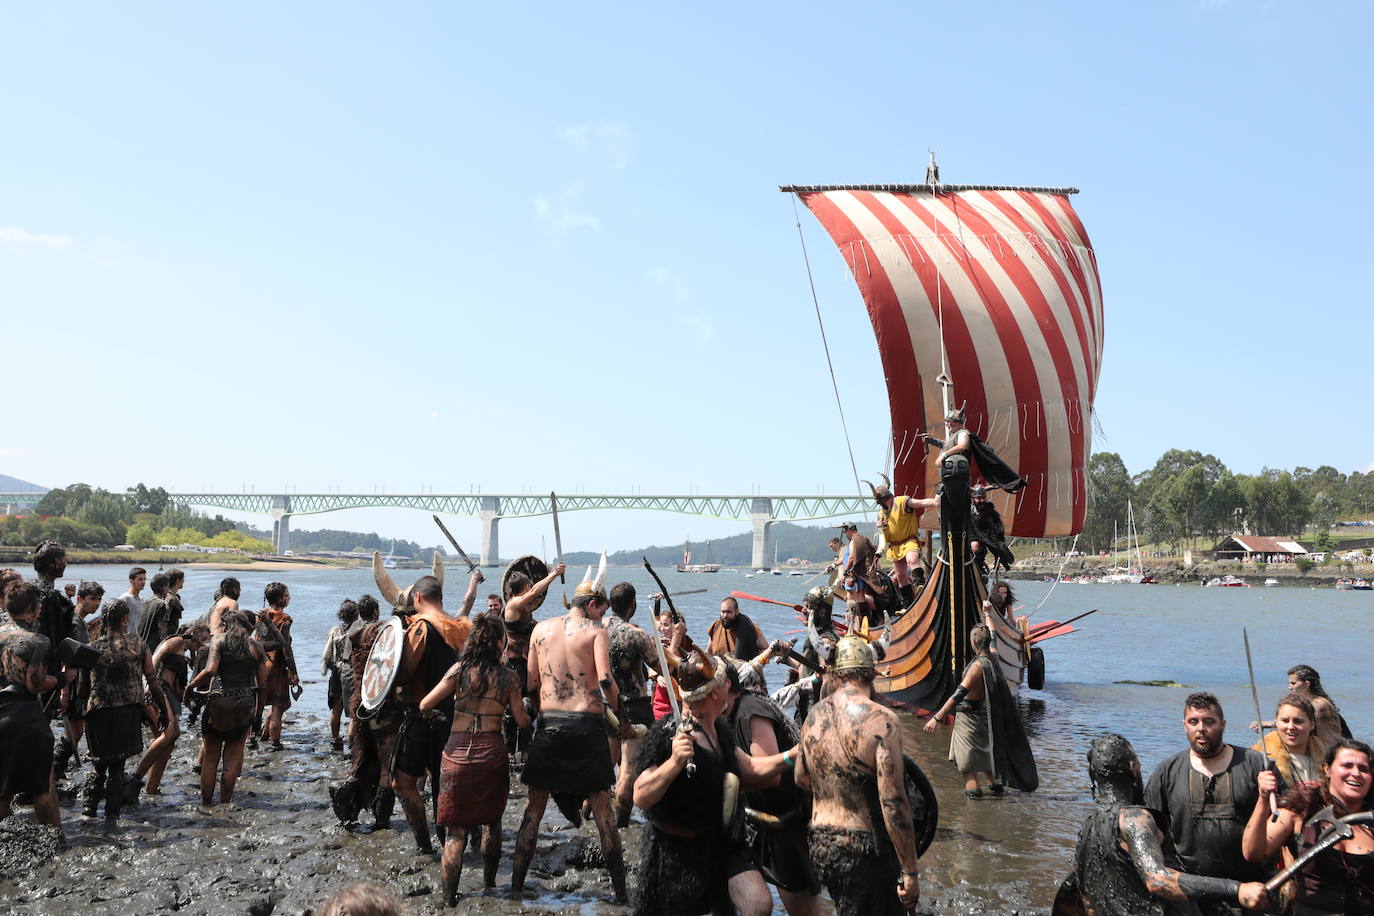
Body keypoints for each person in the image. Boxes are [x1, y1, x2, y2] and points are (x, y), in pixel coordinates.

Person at [632, 648, 794, 916]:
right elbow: (641, 794)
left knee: (758, 904)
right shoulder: (669, 733)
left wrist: (793, 756)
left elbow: (750, 769)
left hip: (720, 845)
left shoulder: (720, 730)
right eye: (723, 682)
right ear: (715, 693)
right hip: (677, 854)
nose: (728, 684)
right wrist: (674, 763)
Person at [511, 561, 627, 902]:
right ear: (591, 605)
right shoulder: (595, 632)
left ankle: (516, 887)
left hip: (549, 725)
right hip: (587, 725)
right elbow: (605, 680)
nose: (601, 617)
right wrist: (621, 714)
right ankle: (620, 893)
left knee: (533, 809)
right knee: (604, 810)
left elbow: (530, 682)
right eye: (601, 610)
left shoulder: (540, 629)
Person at [1057, 733, 1269, 916]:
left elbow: (1086, 903)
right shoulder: (1133, 819)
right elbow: (1158, 880)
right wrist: (1237, 889)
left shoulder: (1087, 829)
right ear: (1133, 768)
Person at [795, 635, 921, 916]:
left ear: (837, 674)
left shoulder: (813, 716)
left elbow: (801, 779)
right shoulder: (883, 720)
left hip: (820, 844)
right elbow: (894, 803)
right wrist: (910, 871)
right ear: (872, 673)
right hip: (861, 847)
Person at [420, 614, 531, 905]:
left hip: (456, 756)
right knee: (492, 823)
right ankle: (489, 885)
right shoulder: (508, 677)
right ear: (497, 642)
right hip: (491, 756)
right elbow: (521, 721)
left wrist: (441, 719)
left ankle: (447, 900)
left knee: (455, 834)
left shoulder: (459, 670)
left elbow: (425, 704)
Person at [1145, 692, 1267, 912]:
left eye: (1209, 721)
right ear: (1184, 726)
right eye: (1194, 722)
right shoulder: (1167, 771)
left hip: (1250, 890)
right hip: (1189, 896)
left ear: (1222, 724)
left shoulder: (1255, 764)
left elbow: (1284, 822)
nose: (1200, 728)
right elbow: (1151, 832)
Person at [725, 660, 820, 916]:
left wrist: (723, 783)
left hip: (783, 822)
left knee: (804, 909)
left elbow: (770, 777)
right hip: (753, 821)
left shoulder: (750, 711)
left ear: (723, 688)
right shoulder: (724, 714)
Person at [1242, 738, 1374, 915]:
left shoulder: (1370, 820)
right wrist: (1263, 799)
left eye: (1363, 769)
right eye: (1347, 765)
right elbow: (1253, 853)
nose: (1356, 773)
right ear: (1327, 769)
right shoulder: (1300, 810)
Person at [76, 597, 166, 822]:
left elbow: (82, 687)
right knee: (118, 766)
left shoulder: (93, 647)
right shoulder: (138, 644)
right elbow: (153, 682)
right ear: (125, 618)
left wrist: (78, 708)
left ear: (105, 619)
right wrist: (163, 710)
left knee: (98, 764)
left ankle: (88, 810)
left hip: (98, 712)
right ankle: (112, 815)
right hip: (127, 712)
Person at [924, 624, 1038, 798]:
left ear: (974, 642)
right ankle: (997, 797)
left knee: (967, 767)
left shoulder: (977, 667)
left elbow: (958, 695)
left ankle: (974, 808)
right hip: (985, 717)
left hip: (969, 722)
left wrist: (937, 718)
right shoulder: (993, 657)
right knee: (986, 762)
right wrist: (987, 614)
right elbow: (993, 638)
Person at [0, 583, 65, 840]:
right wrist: (61, 679)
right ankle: (54, 841)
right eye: (38, 607)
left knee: (2, 787)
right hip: (23, 714)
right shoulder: (37, 640)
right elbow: (34, 683)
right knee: (42, 785)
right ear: (31, 609)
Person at [187, 609, 267, 806]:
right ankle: (224, 803)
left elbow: (210, 670)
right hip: (244, 703)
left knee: (211, 757)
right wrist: (257, 714)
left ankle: (206, 803)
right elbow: (262, 685)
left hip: (219, 702)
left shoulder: (219, 641)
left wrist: (190, 686)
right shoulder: (255, 646)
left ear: (226, 625)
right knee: (233, 755)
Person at [605, 581, 659, 828]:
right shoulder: (636, 634)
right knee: (626, 768)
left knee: (606, 765)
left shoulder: (597, 629)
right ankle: (621, 824)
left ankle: (588, 812)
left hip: (606, 704)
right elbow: (660, 667)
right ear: (633, 604)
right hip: (634, 705)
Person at [134, 624, 207, 796]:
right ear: (191, 634)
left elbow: (180, 689)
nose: (202, 644)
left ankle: (151, 788)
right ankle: (135, 778)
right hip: (157, 688)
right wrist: (148, 686)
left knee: (167, 743)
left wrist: (197, 696)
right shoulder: (177, 640)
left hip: (168, 693)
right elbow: (155, 659)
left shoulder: (186, 653)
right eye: (202, 639)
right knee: (171, 733)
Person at [53, 579, 105, 778]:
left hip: (79, 681)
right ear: (79, 599)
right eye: (92, 599)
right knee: (75, 730)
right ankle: (55, 768)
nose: (96, 603)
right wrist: (64, 691)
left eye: (99, 599)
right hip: (72, 682)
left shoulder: (81, 621)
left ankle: (59, 768)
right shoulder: (74, 622)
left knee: (77, 729)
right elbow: (66, 657)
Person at [869, 476, 936, 608]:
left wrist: (936, 501)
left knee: (912, 560)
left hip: (908, 540)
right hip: (894, 547)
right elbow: (882, 539)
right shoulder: (881, 514)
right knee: (900, 577)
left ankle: (920, 587)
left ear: (880, 500)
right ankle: (908, 605)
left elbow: (921, 503)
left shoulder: (902, 501)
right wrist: (878, 553)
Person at [1252, 693, 1327, 796]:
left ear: (1312, 724)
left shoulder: (1326, 759)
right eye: (1285, 721)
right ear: (1276, 723)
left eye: (1298, 721)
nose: (1291, 726)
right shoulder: (1261, 760)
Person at [256, 581, 299, 751]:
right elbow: (285, 647)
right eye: (287, 595)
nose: (289, 598)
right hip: (276, 667)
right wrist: (293, 672)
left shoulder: (261, 615)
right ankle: (275, 742)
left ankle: (253, 737)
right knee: (277, 707)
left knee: (258, 704)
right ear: (281, 599)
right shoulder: (284, 618)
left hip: (259, 662)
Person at [322, 599, 361, 751]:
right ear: (356, 614)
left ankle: (335, 738)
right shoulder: (357, 631)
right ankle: (352, 742)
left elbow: (327, 654)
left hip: (335, 673)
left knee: (336, 709)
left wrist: (326, 668)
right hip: (349, 673)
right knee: (353, 710)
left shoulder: (335, 630)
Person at [1284, 665, 1349, 748]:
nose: (1289, 687)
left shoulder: (1318, 705)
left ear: (1307, 684)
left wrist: (1269, 724)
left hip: (1330, 754)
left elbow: (1300, 723)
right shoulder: (1307, 702)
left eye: (1293, 683)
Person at [834, 521, 883, 626]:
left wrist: (845, 572)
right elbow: (847, 557)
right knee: (858, 596)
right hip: (858, 574)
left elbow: (851, 557)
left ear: (850, 529)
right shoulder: (859, 539)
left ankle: (860, 623)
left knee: (856, 597)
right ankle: (863, 622)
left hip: (854, 574)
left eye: (845, 530)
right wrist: (834, 564)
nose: (845, 533)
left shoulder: (854, 540)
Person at [969, 485, 1014, 576]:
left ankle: (980, 570)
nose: (981, 500)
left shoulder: (991, 513)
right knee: (974, 545)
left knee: (978, 546)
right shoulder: (968, 511)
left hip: (989, 538)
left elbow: (998, 529)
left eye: (983, 498)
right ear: (973, 499)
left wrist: (998, 546)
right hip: (972, 536)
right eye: (978, 498)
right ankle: (974, 568)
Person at [707, 596, 768, 661]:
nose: (725, 615)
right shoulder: (715, 627)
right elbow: (708, 652)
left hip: (744, 669)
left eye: (729, 612)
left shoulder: (750, 628)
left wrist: (756, 662)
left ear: (737, 611)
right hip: (719, 669)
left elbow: (766, 649)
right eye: (723, 612)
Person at [138, 572, 174, 651]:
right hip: (152, 649)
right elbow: (162, 632)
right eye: (167, 586)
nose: (168, 590)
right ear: (163, 588)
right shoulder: (161, 604)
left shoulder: (146, 602)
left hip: (140, 646)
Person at [120, 566, 148, 638]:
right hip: (125, 639)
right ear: (131, 581)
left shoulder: (141, 600)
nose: (143, 582)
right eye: (140, 579)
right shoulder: (125, 598)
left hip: (136, 640)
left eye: (145, 579)